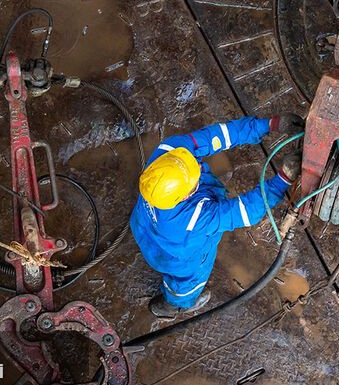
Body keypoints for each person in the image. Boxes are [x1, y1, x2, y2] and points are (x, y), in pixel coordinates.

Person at [130, 113, 303, 318]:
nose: (194, 162)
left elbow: (217, 135)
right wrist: (282, 180)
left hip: (142, 226)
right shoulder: (194, 220)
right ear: (185, 195)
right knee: (188, 281)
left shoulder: (168, 153)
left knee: (160, 249)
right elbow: (246, 211)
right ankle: (176, 304)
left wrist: (269, 124)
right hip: (179, 258)